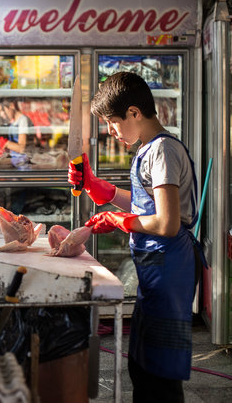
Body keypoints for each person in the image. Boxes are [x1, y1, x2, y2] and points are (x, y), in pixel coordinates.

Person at [68, 72, 204, 402]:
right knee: (142, 364)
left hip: (170, 266)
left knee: (158, 373)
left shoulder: (162, 151)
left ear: (133, 113)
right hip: (157, 268)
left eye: (113, 123)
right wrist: (103, 190)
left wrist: (120, 221)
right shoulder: (150, 148)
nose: (112, 132)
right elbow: (148, 205)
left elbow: (167, 222)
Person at [0, 99, 33, 167]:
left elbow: (21, 148)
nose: (1, 114)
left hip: (23, 164)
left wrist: (0, 140)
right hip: (16, 160)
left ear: (12, 106)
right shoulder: (13, 121)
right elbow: (13, 143)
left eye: (3, 110)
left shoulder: (23, 120)